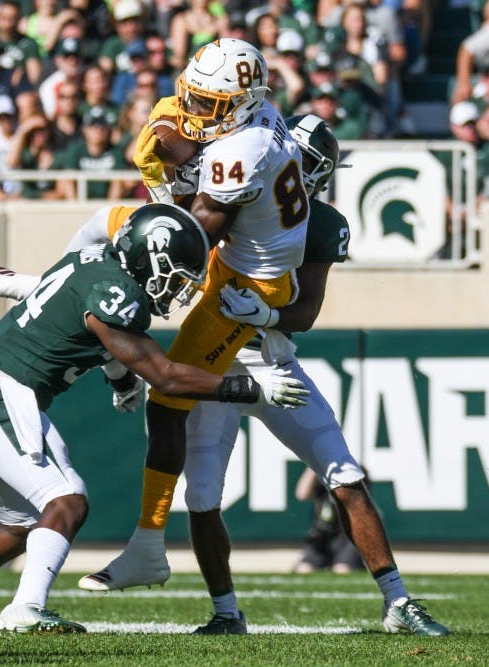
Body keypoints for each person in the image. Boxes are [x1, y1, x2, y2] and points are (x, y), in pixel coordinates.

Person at [0, 114, 449, 637]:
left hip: (271, 358)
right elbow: (150, 235)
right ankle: (224, 611)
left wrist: (266, 315)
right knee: (202, 497)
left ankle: (399, 601)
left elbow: (307, 309)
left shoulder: (317, 222)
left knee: (343, 474)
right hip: (214, 362)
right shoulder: (229, 194)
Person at [0, 202, 308, 634]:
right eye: (176, 275)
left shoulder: (94, 263)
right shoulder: (116, 290)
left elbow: (98, 336)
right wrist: (250, 387)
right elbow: (166, 377)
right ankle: (25, 608)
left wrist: (121, 384)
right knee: (67, 502)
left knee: (21, 524)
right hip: (1, 395)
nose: (176, 289)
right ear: (150, 254)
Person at [79, 39, 314, 594]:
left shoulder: (247, 149)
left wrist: (166, 168)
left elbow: (193, 233)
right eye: (196, 98)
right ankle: (52, 290)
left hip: (247, 280)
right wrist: (167, 151)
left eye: (210, 105)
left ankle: (147, 545)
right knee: (101, 222)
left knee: (167, 399)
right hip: (236, 249)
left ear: (242, 104)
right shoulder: (255, 116)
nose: (196, 113)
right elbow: (181, 134)